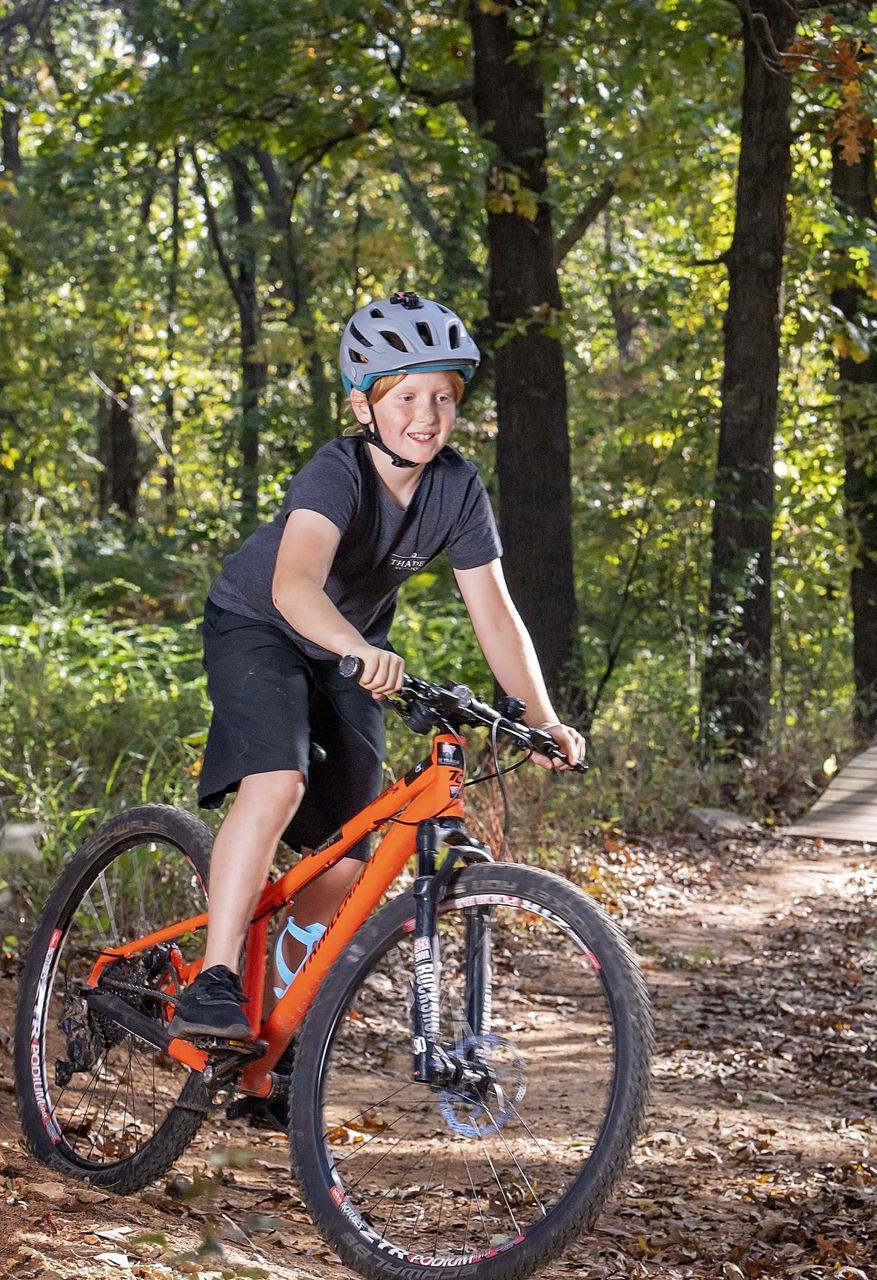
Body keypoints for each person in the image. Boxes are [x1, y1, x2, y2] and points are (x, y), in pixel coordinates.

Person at [171, 291, 586, 1042]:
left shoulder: (456, 488)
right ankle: (215, 978)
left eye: (443, 398)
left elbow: (494, 611)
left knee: (349, 853)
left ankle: (279, 1029)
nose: (425, 415)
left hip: (346, 651)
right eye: (405, 397)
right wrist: (360, 648)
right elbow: (293, 584)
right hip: (259, 623)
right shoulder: (337, 473)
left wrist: (542, 717)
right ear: (364, 406)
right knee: (279, 782)